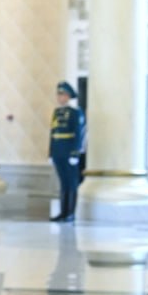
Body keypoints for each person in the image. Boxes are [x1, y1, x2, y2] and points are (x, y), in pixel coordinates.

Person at [49, 80, 86, 223]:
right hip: (58, 151)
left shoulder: (75, 112)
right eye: (58, 94)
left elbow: (79, 133)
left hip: (69, 152)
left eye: (63, 94)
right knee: (63, 183)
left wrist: (75, 153)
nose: (60, 97)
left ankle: (70, 213)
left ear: (68, 96)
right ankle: (62, 212)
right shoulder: (57, 112)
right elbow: (53, 133)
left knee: (71, 183)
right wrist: (51, 153)